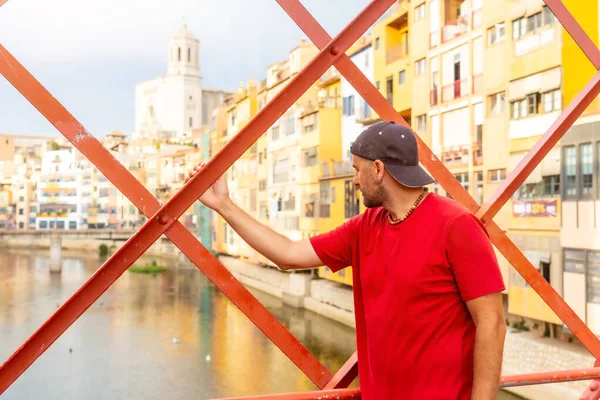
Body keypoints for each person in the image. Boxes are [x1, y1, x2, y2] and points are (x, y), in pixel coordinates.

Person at [187, 121, 506, 400]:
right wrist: (224, 206)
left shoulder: (456, 226)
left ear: (378, 170)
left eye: (356, 170)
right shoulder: (365, 228)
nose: (353, 180)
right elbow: (288, 254)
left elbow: (492, 324)